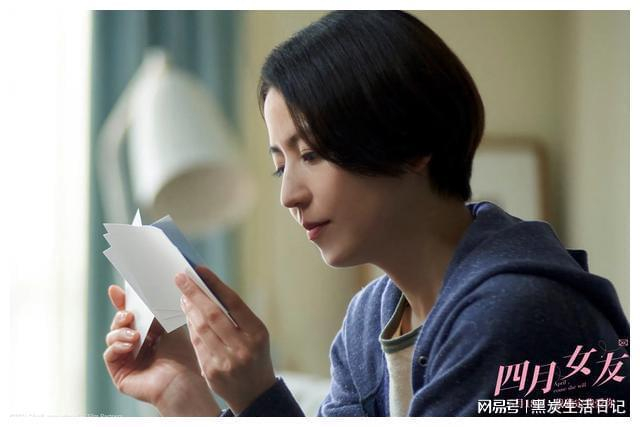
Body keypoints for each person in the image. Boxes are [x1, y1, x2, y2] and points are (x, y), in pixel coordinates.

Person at [103, 11, 630, 416]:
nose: (289, 195)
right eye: (280, 164)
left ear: (412, 144)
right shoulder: (371, 319)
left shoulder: (512, 315)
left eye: (312, 154)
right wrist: (185, 394)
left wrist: (258, 395)